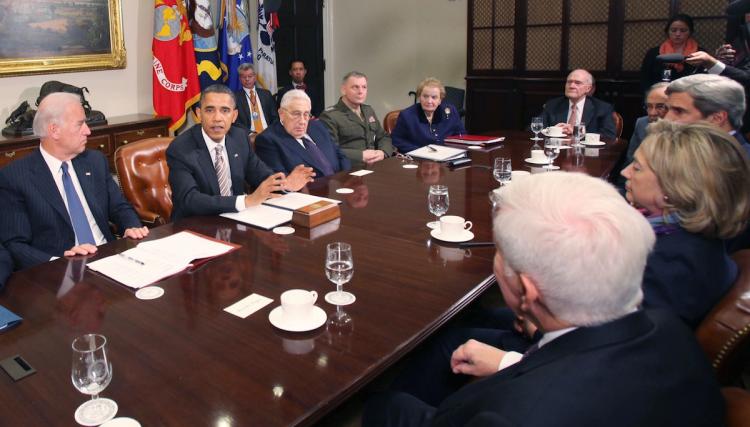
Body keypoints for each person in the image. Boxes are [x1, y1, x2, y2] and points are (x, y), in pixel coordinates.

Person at [364, 172, 725, 427]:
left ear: (527, 292)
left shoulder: (511, 415)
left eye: (500, 254)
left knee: (386, 404)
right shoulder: (672, 330)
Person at [621, 121, 750, 328]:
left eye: (636, 168)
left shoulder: (670, 261)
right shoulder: (688, 238)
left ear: (674, 189)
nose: (625, 172)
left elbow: (634, 338)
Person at [0, 92, 148, 270]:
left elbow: (119, 207)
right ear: (54, 130)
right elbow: (15, 245)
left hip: (110, 258)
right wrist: (58, 261)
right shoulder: (16, 177)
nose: (88, 130)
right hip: (61, 272)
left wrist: (131, 227)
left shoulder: (94, 161)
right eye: (80, 124)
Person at [167, 84, 314, 221]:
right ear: (199, 114)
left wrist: (286, 184)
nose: (217, 118)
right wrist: (246, 201)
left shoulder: (239, 138)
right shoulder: (180, 148)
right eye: (209, 110)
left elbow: (261, 175)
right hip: (194, 225)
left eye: (225, 110)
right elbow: (189, 200)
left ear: (234, 115)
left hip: (236, 219)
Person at [255, 90, 350, 177]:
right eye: (296, 114)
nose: (302, 121)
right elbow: (280, 181)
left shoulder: (318, 126)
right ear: (281, 114)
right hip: (310, 193)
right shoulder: (267, 140)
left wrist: (346, 179)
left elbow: (341, 156)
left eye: (306, 114)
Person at [319, 71, 394, 167]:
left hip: (375, 167)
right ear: (343, 90)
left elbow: (383, 136)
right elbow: (329, 150)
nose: (360, 91)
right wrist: (361, 155)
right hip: (349, 170)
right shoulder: (330, 116)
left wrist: (383, 152)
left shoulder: (368, 110)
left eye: (364, 87)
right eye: (355, 87)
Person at [664, 73, 750, 153]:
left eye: (679, 111)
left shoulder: (743, 163)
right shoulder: (675, 154)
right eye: (667, 109)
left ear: (717, 118)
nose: (667, 118)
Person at [391, 77, 466, 153]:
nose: (429, 101)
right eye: (425, 96)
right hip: (418, 159)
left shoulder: (450, 111)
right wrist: (421, 151)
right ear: (419, 97)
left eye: (434, 97)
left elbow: (461, 136)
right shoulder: (407, 115)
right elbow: (397, 141)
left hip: (447, 156)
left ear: (440, 100)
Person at [540, 69, 616, 139]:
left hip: (587, 152)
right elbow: (534, 129)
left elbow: (609, 136)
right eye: (569, 82)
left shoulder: (602, 108)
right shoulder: (553, 104)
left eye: (578, 83)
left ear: (588, 88)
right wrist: (553, 130)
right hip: (557, 150)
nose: (572, 86)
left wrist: (577, 132)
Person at [640, 14, 703, 93]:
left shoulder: (699, 53)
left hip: (689, 99)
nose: (678, 34)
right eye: (673, 30)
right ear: (668, 31)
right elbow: (645, 79)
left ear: (690, 32)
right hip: (659, 97)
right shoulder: (654, 53)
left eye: (683, 30)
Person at [625, 82, 669, 166]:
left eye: (660, 107)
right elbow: (631, 158)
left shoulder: (683, 129)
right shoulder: (641, 123)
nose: (652, 113)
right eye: (649, 106)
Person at [234, 63, 278, 138]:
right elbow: (236, 122)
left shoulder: (266, 94)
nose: (247, 79)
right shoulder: (235, 97)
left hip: (269, 133)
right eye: (244, 77)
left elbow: (275, 117)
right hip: (249, 136)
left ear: (255, 77)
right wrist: (250, 134)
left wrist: (271, 131)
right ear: (240, 79)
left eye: (250, 76)